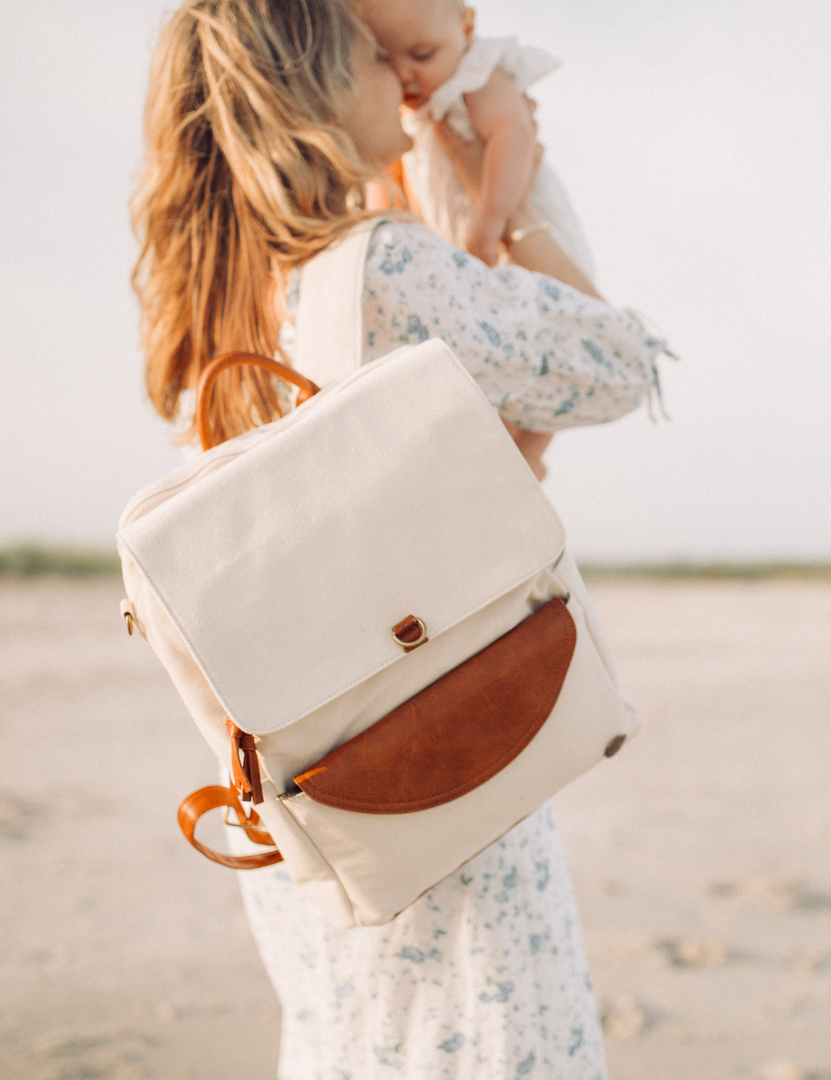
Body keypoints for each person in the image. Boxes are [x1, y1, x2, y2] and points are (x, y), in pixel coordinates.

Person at [132, 1, 670, 1076]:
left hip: (318, 810)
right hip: (443, 767)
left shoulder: (209, 307)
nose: (406, 80)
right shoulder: (377, 269)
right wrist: (505, 206)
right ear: (321, 89)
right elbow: (622, 363)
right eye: (376, 58)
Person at [360, 0, 596, 280]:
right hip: (462, 241)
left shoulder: (474, 77)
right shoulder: (404, 113)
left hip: (506, 216)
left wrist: (492, 218)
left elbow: (513, 134)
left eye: (422, 55)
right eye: (384, 60)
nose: (404, 74)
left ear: (467, 27)